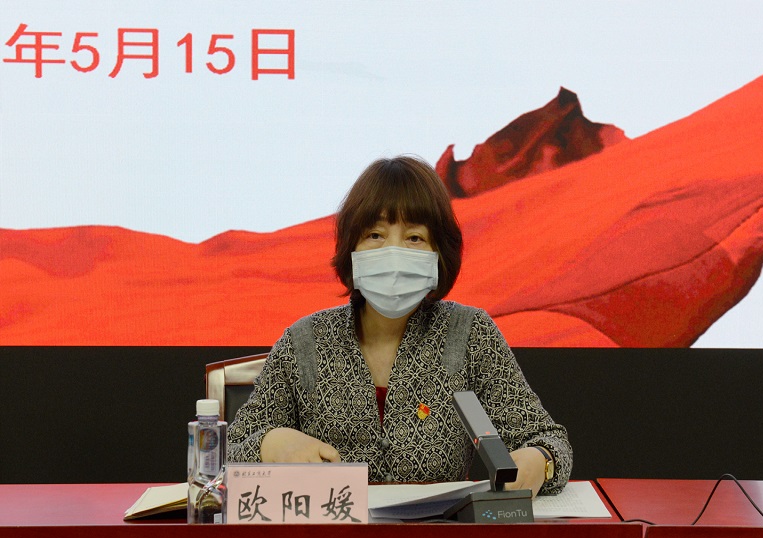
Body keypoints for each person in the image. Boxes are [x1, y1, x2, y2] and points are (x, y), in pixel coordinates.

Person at [227, 155, 572, 495]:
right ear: (351, 249)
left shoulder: (469, 334)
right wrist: (269, 443)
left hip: (438, 530)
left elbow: (549, 441)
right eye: (375, 235)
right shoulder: (304, 342)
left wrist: (539, 461)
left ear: (438, 253)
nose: (393, 253)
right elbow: (226, 456)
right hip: (333, 529)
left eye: (414, 238)